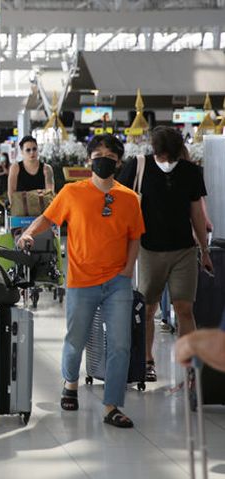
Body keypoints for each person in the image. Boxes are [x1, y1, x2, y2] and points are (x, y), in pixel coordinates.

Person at [17, 134, 144, 428]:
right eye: (98, 154)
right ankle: (70, 383)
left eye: (110, 156)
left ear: (118, 162)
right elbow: (48, 218)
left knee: (120, 344)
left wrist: (127, 270)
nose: (103, 159)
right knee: (76, 339)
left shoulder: (128, 198)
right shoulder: (73, 192)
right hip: (81, 279)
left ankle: (112, 405)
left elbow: (135, 237)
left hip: (117, 282)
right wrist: (28, 234)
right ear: (88, 160)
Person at [116, 126, 213, 382]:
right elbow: (120, 202)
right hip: (149, 249)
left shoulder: (191, 173)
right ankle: (147, 360)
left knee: (184, 308)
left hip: (184, 250)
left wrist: (204, 249)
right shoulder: (139, 166)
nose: (165, 161)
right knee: (148, 308)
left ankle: (190, 367)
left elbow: (197, 214)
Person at [7, 136, 54, 201]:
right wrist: (14, 207)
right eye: (28, 150)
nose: (32, 152)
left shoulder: (46, 169)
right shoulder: (15, 168)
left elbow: (50, 193)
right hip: (21, 207)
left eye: (34, 149)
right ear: (22, 152)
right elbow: (11, 191)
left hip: (41, 206)